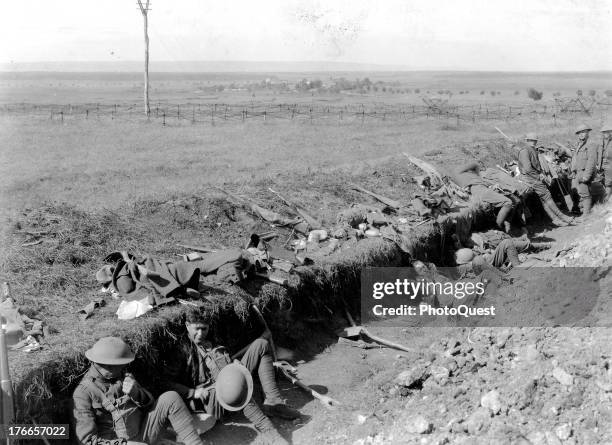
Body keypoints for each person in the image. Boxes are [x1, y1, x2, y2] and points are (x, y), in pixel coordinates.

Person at [163, 310, 298, 445]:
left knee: (261, 345)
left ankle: (273, 401)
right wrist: (192, 392)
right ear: (187, 325)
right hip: (210, 398)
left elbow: (223, 359)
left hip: (230, 378)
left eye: (204, 329)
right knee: (232, 384)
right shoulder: (180, 350)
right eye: (196, 328)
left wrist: (234, 362)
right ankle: (269, 430)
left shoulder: (212, 339)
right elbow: (167, 383)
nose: (200, 333)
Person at [73, 337, 204, 445]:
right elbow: (88, 441)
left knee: (171, 398)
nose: (124, 367)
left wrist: (136, 393)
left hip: (142, 434)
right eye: (120, 365)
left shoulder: (121, 376)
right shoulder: (82, 394)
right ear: (107, 365)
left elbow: (149, 405)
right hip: (119, 443)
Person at [517, 133, 572, 226]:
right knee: (547, 196)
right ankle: (562, 217)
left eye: (534, 140)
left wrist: (541, 174)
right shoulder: (525, 151)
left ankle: (556, 220)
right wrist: (539, 176)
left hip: (533, 177)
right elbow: (528, 169)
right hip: (530, 178)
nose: (533, 142)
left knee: (544, 199)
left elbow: (535, 166)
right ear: (527, 141)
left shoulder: (532, 150)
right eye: (531, 140)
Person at [453, 161, 514, 233]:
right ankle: (498, 226)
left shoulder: (466, 176)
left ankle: (503, 225)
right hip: (480, 190)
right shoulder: (467, 175)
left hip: (479, 190)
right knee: (508, 202)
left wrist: (492, 186)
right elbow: (475, 164)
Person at [570, 124, 599, 216]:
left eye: (583, 132)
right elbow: (575, 159)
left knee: (585, 193)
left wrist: (587, 175)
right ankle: (583, 210)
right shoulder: (579, 145)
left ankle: (586, 215)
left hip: (584, 172)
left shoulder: (591, 144)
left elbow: (591, 161)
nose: (581, 134)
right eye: (579, 133)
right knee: (578, 192)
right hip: (578, 172)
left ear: (588, 132)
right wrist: (573, 170)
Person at [598, 122, 612, 200]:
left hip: (610, 165)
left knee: (608, 184)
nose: (605, 133)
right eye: (604, 132)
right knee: (602, 183)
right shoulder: (601, 142)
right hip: (602, 166)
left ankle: (607, 201)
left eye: (608, 131)